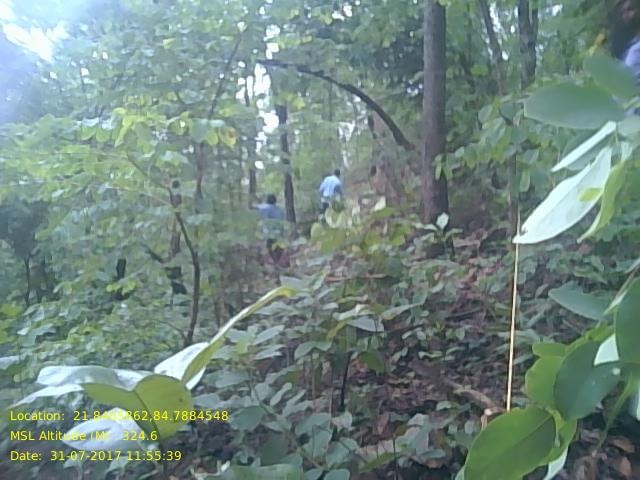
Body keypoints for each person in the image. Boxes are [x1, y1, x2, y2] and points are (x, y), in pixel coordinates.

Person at [255, 194, 286, 264]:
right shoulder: (280, 209)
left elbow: (255, 207)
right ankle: (277, 261)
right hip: (279, 232)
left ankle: (275, 261)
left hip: (269, 233)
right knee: (278, 247)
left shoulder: (264, 208)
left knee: (270, 247)